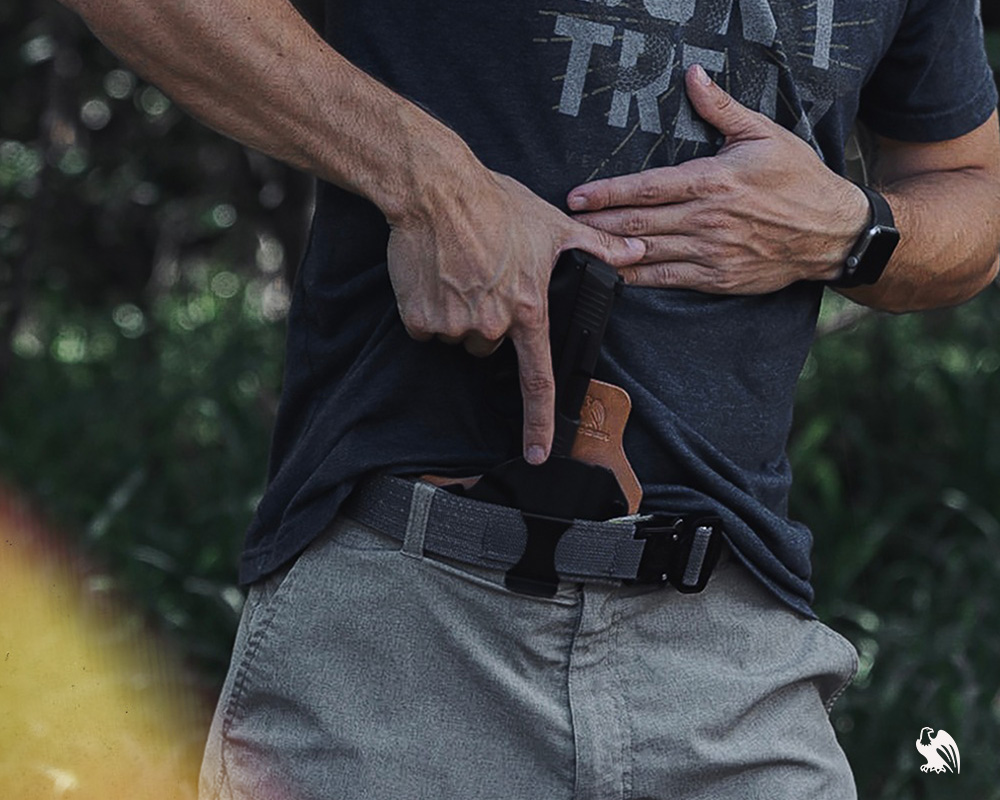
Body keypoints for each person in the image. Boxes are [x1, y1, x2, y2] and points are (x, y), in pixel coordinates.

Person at [61, 0, 1000, 797]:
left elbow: (973, 193)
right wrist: (424, 179)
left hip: (733, 656)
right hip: (401, 638)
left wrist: (853, 228)